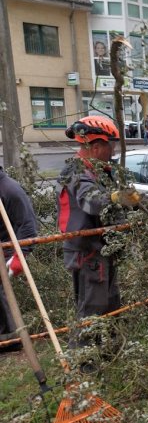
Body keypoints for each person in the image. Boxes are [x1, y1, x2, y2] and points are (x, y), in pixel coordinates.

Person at [57, 116, 140, 355]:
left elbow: (116, 202)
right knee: (92, 307)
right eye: (110, 146)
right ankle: (83, 361)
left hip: (103, 247)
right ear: (95, 147)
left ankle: (112, 351)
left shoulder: (98, 170)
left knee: (111, 302)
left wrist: (143, 203)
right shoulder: (76, 171)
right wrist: (116, 197)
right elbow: (92, 202)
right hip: (87, 251)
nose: (113, 151)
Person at [0, 168, 37, 351]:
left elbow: (28, 225)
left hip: (5, 251)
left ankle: (10, 340)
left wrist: (19, 255)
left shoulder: (9, 189)